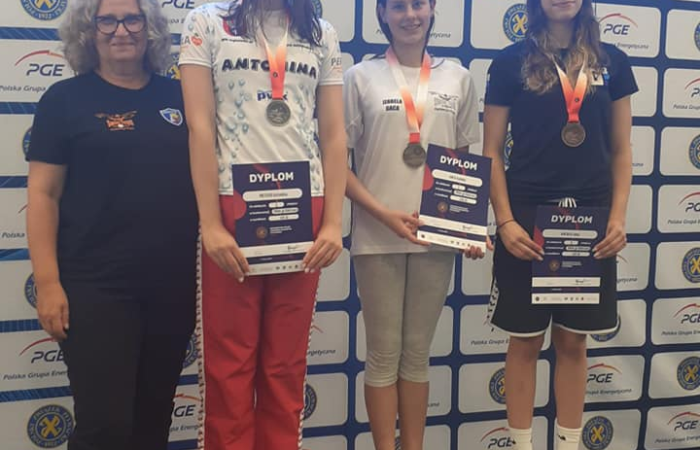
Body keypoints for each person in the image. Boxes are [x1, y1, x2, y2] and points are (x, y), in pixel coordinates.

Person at [25, 0, 198, 449]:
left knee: (152, 422)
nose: (121, 30)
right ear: (89, 30)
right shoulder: (63, 100)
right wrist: (47, 283)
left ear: (150, 28)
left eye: (133, 19)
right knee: (105, 426)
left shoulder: (181, 97)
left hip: (172, 286)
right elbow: (43, 195)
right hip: (95, 287)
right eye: (108, 20)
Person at [178, 0, 346, 448]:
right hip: (233, 206)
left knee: (285, 365)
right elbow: (199, 126)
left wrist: (333, 222)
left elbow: (334, 134)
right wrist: (211, 223)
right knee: (228, 366)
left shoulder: (320, 32)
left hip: (302, 208)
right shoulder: (207, 22)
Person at [483, 0, 637, 449]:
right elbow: (491, 150)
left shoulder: (613, 62)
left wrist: (617, 217)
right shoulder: (509, 62)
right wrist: (505, 220)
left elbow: (622, 149)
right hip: (527, 221)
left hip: (590, 223)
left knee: (573, 344)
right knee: (525, 343)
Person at [344, 1, 484, 448]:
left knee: (418, 357)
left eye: (418, 4)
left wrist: (468, 227)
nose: (410, 15)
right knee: (383, 356)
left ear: (432, 9)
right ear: (382, 14)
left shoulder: (458, 78)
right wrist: (383, 214)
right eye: (398, 6)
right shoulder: (359, 77)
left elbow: (464, 162)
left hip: (434, 239)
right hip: (377, 236)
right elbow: (336, 164)